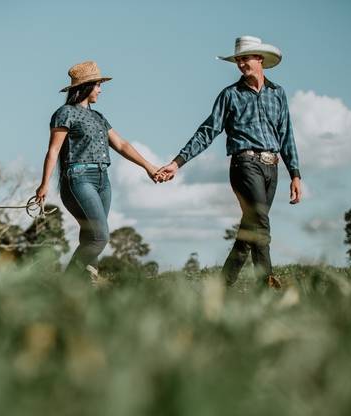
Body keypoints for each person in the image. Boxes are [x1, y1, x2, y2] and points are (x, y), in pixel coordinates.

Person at [156, 36, 302, 289]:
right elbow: (208, 131)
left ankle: (222, 286)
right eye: (238, 60)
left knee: (249, 233)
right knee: (260, 221)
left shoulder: (278, 94)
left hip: (272, 166)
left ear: (260, 59)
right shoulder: (230, 95)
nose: (241, 63)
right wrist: (178, 162)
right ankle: (265, 283)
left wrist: (295, 174)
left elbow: (287, 134)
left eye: (245, 58)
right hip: (244, 164)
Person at [36, 61, 161, 280]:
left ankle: (87, 285)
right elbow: (53, 151)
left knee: (90, 236)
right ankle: (66, 284)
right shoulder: (65, 113)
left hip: (103, 181)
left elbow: (122, 145)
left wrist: (149, 167)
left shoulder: (99, 117)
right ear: (86, 87)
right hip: (79, 178)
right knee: (100, 237)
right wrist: (44, 184)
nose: (101, 90)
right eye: (98, 85)